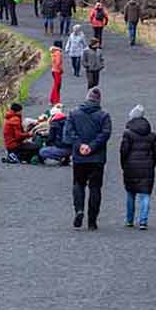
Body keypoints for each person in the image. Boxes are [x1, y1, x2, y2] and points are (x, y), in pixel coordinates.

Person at [62, 86, 112, 230]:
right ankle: (92, 221)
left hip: (79, 158)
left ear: (87, 98)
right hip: (97, 158)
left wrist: (80, 146)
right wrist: (92, 146)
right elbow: (105, 134)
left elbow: (68, 134)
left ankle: (79, 210)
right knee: (95, 188)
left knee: (78, 184)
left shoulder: (73, 114)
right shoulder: (104, 116)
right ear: (99, 100)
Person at [120, 104, 156, 230]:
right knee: (145, 194)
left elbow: (123, 151)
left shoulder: (127, 134)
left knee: (130, 193)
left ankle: (129, 219)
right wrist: (152, 163)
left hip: (131, 167)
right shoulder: (152, 135)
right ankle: (143, 220)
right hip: (147, 167)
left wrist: (124, 165)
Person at [50, 40, 65, 105]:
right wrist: (61, 69)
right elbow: (58, 63)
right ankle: (56, 101)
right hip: (57, 71)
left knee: (55, 85)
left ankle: (52, 99)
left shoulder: (53, 51)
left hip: (53, 70)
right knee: (57, 86)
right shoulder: (58, 52)